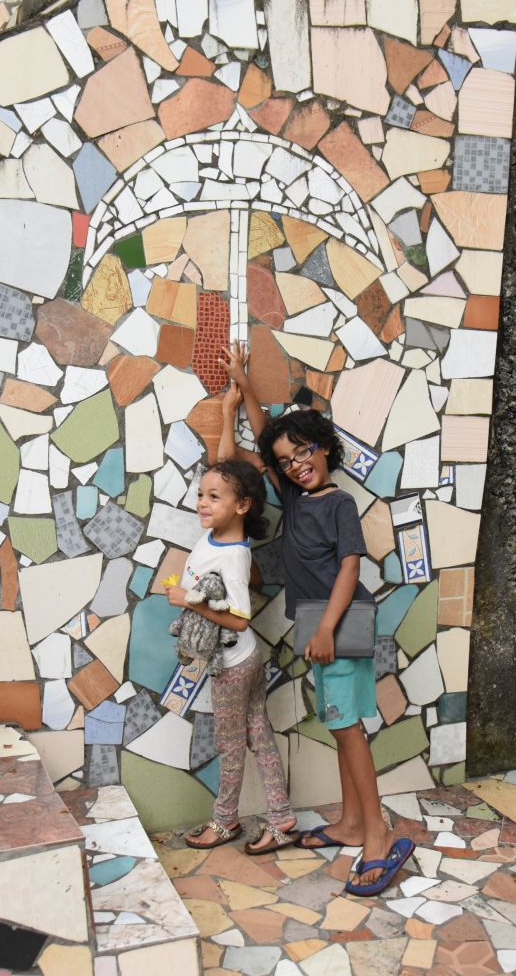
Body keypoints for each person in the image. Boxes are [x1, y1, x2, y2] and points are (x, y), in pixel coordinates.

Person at [219, 343, 414, 896]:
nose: (295, 465)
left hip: (340, 622)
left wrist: (327, 627)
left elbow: (351, 567)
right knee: (339, 723)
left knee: (349, 730)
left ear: (324, 448)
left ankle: (376, 835)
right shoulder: (295, 497)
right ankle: (351, 824)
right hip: (315, 622)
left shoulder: (337, 504)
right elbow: (262, 440)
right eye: (286, 461)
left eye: (303, 452)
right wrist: (244, 387)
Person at [169, 457, 298, 855]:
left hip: (233, 664)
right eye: (201, 495)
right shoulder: (216, 539)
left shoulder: (234, 556)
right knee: (259, 734)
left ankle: (225, 821)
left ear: (242, 505)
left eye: (214, 497)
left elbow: (240, 619)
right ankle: (282, 818)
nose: (202, 503)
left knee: (230, 745)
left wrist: (188, 601)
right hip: (245, 659)